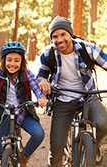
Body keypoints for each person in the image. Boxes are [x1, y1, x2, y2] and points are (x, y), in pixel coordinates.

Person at [37, 16, 107, 167]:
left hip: (88, 96)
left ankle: (93, 148)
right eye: (55, 36)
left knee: (104, 123)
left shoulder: (88, 48)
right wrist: (43, 81)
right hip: (63, 99)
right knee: (56, 149)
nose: (59, 39)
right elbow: (41, 76)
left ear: (70, 34)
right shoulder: (48, 54)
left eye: (63, 34)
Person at [0, 41, 47, 167]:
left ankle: (24, 156)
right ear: (4, 61)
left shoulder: (26, 74)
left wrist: (41, 97)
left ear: (22, 62)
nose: (12, 64)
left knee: (38, 134)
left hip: (23, 113)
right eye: (9, 60)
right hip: (4, 114)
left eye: (16, 60)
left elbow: (35, 87)